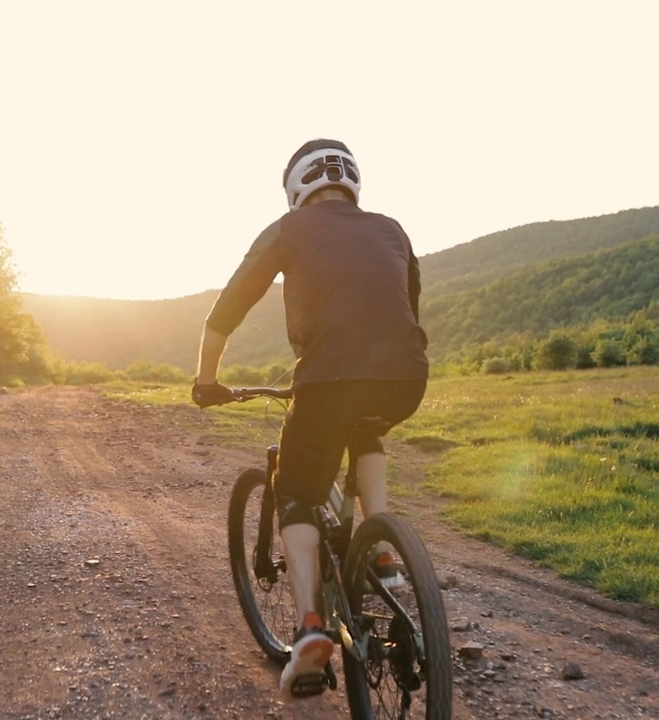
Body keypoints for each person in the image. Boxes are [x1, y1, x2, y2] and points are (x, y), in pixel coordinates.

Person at [191, 139, 429, 698]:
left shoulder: (287, 229)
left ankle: (309, 631)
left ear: (298, 186)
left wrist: (207, 381)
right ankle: (384, 548)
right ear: (351, 181)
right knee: (366, 425)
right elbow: (407, 306)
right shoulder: (392, 227)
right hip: (405, 378)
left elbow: (226, 310)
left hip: (327, 381)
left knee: (295, 490)